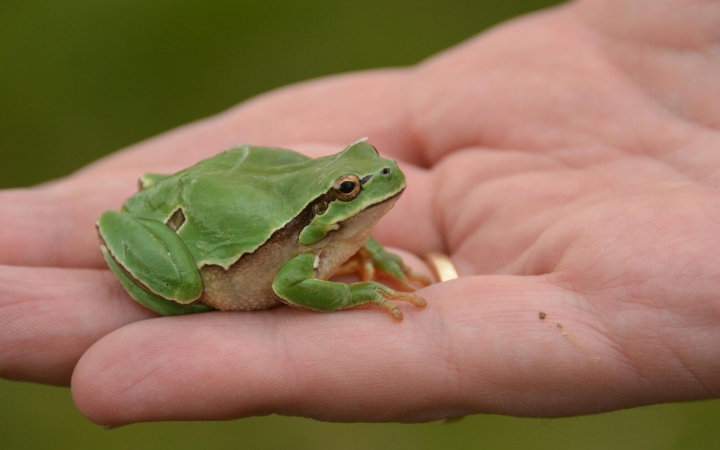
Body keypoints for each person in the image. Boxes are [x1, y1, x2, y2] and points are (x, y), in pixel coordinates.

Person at [1, 0, 718, 426]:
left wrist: (358, 251)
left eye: (359, 174)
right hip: (207, 257)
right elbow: (286, 282)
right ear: (327, 208)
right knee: (189, 288)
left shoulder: (334, 224)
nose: (375, 182)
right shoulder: (304, 246)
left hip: (230, 196)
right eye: (349, 191)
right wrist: (358, 290)